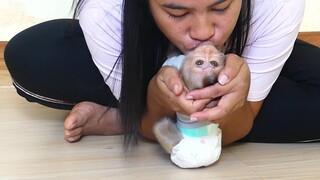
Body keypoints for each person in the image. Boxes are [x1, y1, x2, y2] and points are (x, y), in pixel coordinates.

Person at [4, 0, 320, 149]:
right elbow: (150, 118)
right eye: (177, 12)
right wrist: (154, 102)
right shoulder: (106, 9)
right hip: (141, 59)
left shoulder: (278, 3)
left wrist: (243, 87)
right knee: (34, 53)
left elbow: (240, 123)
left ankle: (117, 118)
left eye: (221, 7)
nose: (204, 32)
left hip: (244, 62)